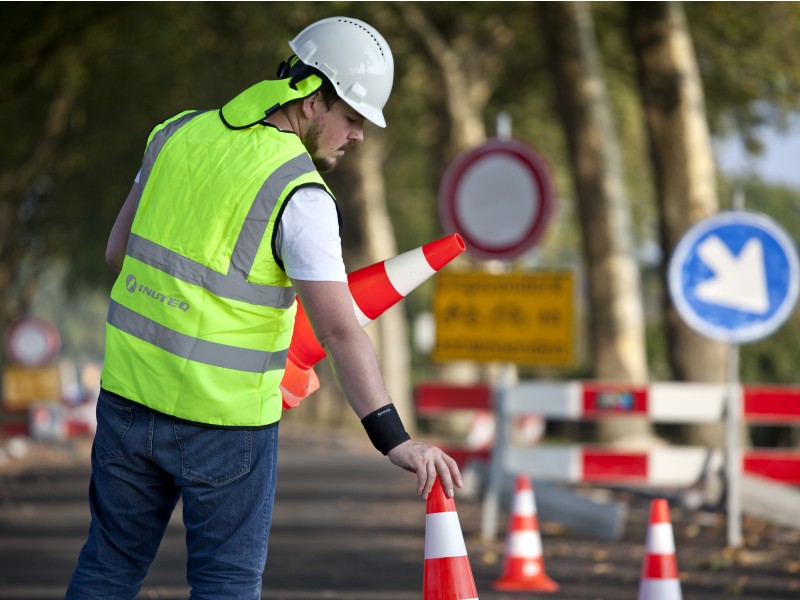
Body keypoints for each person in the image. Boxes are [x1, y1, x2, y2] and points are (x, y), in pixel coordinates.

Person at [66, 16, 462, 600]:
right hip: (226, 429)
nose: (357, 136)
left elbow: (116, 250)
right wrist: (393, 438)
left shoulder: (174, 134)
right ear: (311, 98)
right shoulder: (300, 194)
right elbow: (339, 329)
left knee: (108, 566)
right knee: (226, 583)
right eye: (352, 118)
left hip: (128, 403)